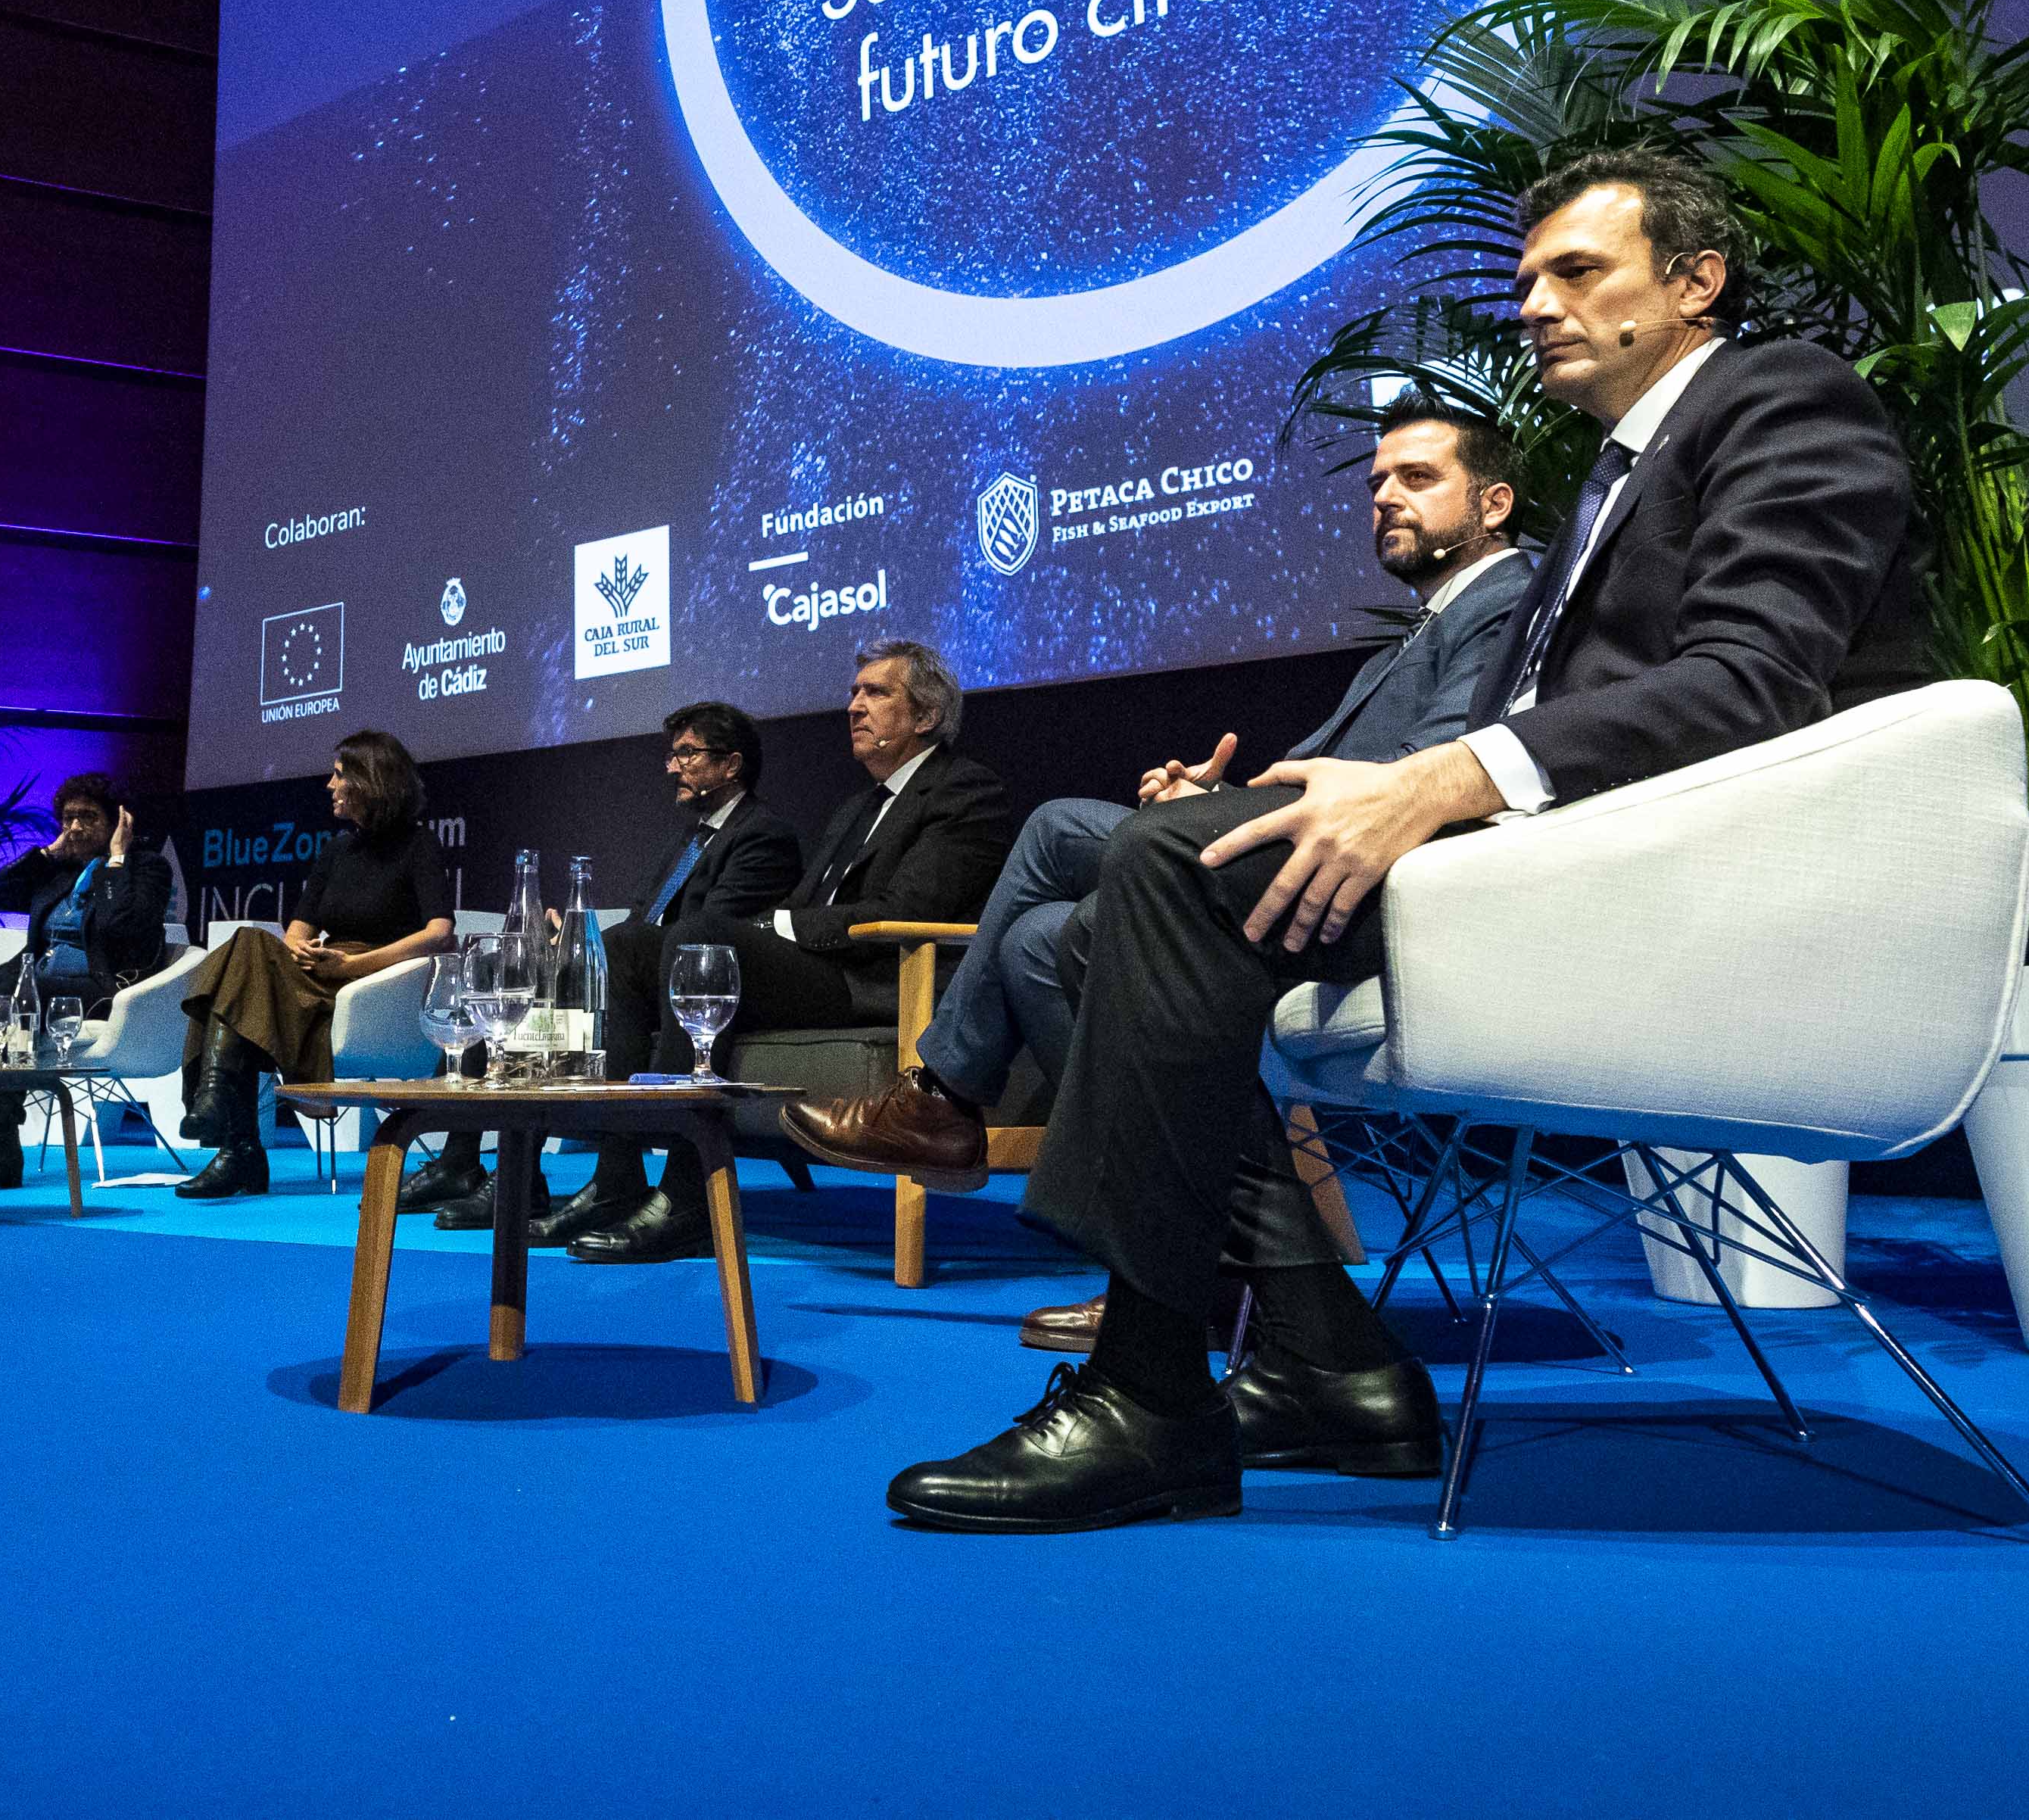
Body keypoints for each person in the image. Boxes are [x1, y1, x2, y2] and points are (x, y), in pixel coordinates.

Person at [886, 148, 1934, 1531]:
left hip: (1663, 879)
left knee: (1152, 873)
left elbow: (1752, 679)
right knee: (1082, 929)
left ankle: (1150, 1397)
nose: (1536, 305)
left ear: (1693, 281)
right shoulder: (1616, 472)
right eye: (1525, 280)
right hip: (1557, 849)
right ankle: (1328, 1362)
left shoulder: (1780, 397)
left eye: (1578, 270)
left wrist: (1439, 776)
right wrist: (1347, 780)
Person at [785, 400, 1532, 1246]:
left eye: (1418, 478)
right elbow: (1324, 782)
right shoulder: (1411, 637)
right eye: (1376, 483)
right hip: (1290, 866)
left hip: (1361, 885)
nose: (1385, 497)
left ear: (1494, 504)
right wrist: (1207, 803)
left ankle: (943, 1099)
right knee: (1036, 941)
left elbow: (1423, 778)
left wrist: (1217, 815)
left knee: (1059, 824)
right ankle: (1173, 1244)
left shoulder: (1506, 601)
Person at [564, 640, 1014, 1265]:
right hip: (825, 969)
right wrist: (779, 926)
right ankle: (616, 1176)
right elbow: (808, 904)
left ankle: (686, 1198)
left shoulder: (965, 790)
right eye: (854, 693)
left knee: (707, 936)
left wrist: (776, 926)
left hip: (880, 980)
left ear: (926, 716)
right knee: (628, 944)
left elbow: (904, 909)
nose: (855, 706)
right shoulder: (858, 805)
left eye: (876, 693)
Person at [475, 700, 805, 1245]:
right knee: (542, 962)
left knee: (616, 950)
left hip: (709, 980)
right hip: (649, 976)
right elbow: (641, 920)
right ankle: (537, 1173)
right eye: (672, 755)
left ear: (731, 765)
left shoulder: (763, 835)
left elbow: (712, 927)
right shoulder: (684, 839)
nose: (672, 767)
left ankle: (642, 1184)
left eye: (687, 754)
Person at [172, 730, 455, 1198]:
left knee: (239, 985)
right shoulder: (336, 851)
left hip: (373, 985)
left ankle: (232, 1140)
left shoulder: (418, 846)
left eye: (339, 775)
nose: (329, 785)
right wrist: (303, 950)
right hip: (319, 974)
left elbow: (440, 933)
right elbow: (299, 930)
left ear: (369, 782)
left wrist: (354, 967)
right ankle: (225, 1122)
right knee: (247, 946)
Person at [0, 774, 174, 1193]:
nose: (74, 827)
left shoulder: (147, 868)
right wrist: (47, 852)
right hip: (38, 981)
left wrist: (115, 860)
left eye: (87, 818)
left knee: (17, 996)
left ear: (119, 821)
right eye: (67, 818)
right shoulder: (59, 872)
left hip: (103, 991)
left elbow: (122, 927)